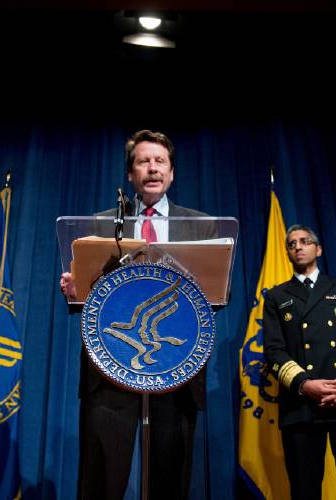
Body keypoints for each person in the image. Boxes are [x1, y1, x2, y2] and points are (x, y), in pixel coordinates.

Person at [60, 130, 215, 499]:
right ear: (130, 174)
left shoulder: (202, 226)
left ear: (172, 173)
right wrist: (74, 290)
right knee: (101, 480)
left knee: (170, 480)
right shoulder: (100, 224)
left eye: (160, 161)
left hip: (176, 364)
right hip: (111, 364)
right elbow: (83, 296)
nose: (152, 168)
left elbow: (216, 296)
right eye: (143, 161)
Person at [262, 224, 336, 500]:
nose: (298, 247)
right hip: (301, 406)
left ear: (319, 249)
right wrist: (305, 385)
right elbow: (274, 351)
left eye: (304, 241)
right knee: (304, 491)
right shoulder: (277, 296)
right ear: (288, 253)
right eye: (291, 244)